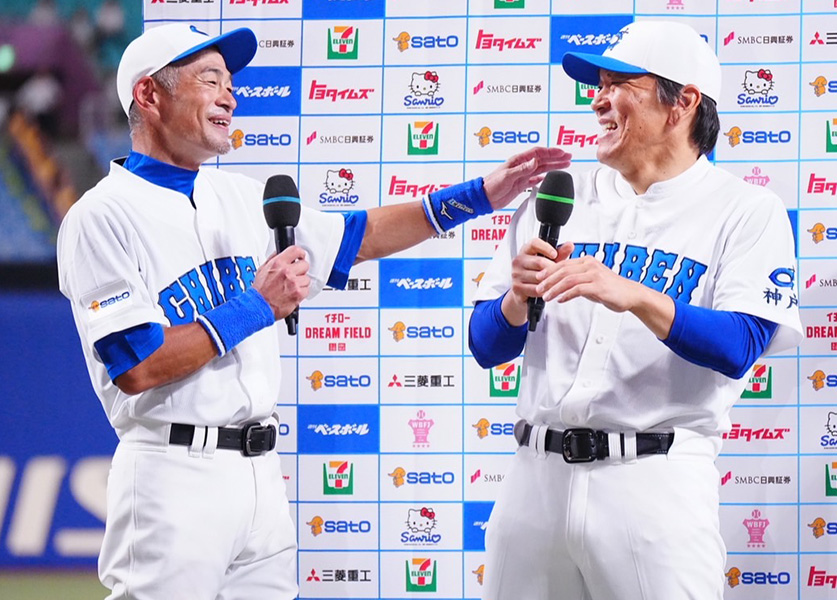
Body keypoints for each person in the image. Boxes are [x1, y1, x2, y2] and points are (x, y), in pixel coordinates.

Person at [56, 23, 570, 600]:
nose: (229, 97)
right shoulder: (101, 216)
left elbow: (359, 236)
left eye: (231, 84)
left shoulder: (240, 197)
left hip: (258, 474)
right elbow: (137, 364)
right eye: (210, 80)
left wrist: (480, 196)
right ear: (149, 94)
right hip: (171, 474)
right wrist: (257, 305)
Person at [469, 20, 802, 600]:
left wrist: (637, 295)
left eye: (619, 84)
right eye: (597, 85)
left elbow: (739, 345)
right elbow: (484, 345)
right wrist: (515, 302)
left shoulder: (745, 209)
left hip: (654, 486)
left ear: (683, 102)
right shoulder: (557, 196)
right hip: (533, 484)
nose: (597, 100)